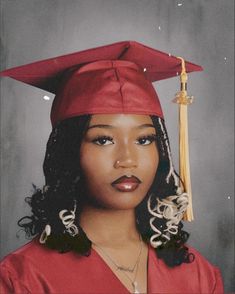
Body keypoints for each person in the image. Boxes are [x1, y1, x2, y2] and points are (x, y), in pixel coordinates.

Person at [0, 41, 224, 293]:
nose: (127, 159)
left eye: (144, 139)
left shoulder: (198, 274)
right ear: (69, 151)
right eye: (103, 140)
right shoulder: (22, 278)